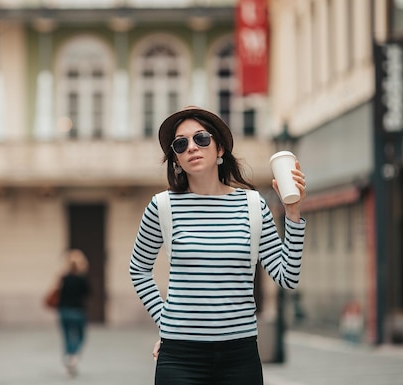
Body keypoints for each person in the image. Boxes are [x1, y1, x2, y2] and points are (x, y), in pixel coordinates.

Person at [129, 106, 307, 385]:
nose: (192, 147)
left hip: (240, 356)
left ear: (220, 149)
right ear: (175, 158)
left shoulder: (252, 206)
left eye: (201, 138)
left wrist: (293, 213)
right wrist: (166, 323)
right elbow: (139, 270)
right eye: (181, 144)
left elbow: (288, 277)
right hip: (179, 358)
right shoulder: (162, 206)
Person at [56, 249, 90, 376]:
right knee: (80, 336)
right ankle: (73, 355)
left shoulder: (63, 277)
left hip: (64, 310)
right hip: (78, 310)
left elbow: (60, 293)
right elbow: (88, 293)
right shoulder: (82, 279)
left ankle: (69, 357)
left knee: (66, 336)